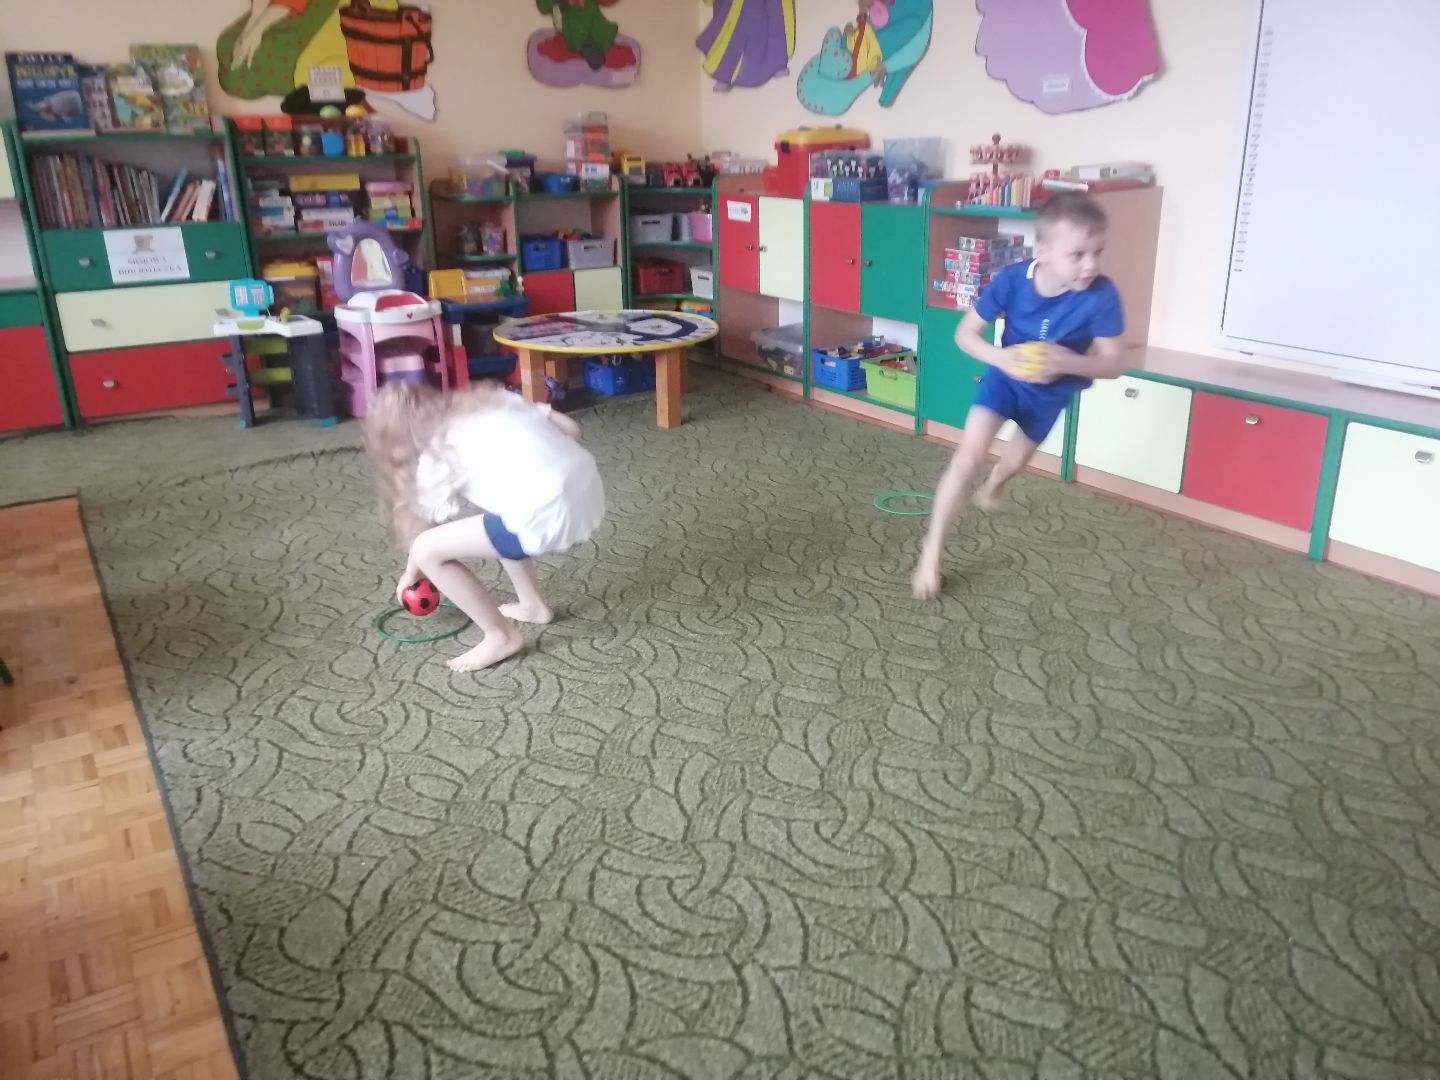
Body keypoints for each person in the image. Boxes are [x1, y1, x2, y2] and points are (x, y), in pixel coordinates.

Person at [912, 193, 1126, 600]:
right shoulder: (1011, 280)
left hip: (1051, 394)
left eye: (1098, 252)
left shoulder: (1102, 295)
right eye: (1078, 254)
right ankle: (931, 553)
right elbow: (964, 334)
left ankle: (995, 485)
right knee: (968, 457)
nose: (1091, 265)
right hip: (1005, 380)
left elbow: (1114, 363)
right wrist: (1002, 358)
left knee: (1013, 463)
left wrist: (1066, 361)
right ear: (1042, 251)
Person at [364, 383, 606, 672]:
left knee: (427, 551)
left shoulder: (436, 456)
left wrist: (411, 573)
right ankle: (532, 606)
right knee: (500, 510)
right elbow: (571, 428)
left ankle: (500, 636)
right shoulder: (497, 400)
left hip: (550, 515)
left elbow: (424, 533)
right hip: (589, 492)